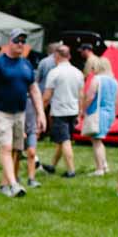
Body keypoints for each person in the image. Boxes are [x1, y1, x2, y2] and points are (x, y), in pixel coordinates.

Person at [0, 30, 44, 198]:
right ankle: (14, 185)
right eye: (18, 40)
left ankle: (4, 185)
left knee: (16, 149)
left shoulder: (26, 65)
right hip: (1, 112)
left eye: (23, 41)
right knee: (6, 147)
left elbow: (34, 90)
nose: (21, 44)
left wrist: (41, 114)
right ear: (10, 42)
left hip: (20, 113)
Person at [42, 45, 84, 177]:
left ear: (57, 56)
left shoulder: (54, 73)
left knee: (65, 141)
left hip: (60, 111)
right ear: (69, 56)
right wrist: (80, 111)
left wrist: (40, 111)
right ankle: (52, 165)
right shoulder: (78, 72)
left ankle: (71, 171)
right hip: (73, 110)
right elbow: (81, 94)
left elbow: (47, 96)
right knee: (63, 140)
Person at [80, 55, 118, 176]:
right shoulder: (114, 81)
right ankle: (104, 165)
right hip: (110, 112)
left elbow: (90, 96)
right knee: (98, 140)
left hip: (97, 112)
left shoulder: (97, 79)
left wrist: (83, 109)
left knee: (97, 141)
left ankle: (100, 168)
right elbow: (116, 101)